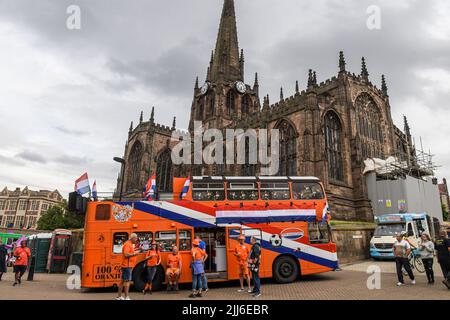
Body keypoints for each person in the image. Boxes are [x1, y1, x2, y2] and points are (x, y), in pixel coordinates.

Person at [116, 233, 140, 300]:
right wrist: (135, 253)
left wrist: (135, 251)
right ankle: (126, 297)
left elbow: (127, 253)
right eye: (136, 238)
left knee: (122, 281)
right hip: (127, 266)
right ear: (132, 238)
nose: (136, 240)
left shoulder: (128, 244)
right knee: (127, 281)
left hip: (126, 265)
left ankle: (119, 296)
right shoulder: (127, 244)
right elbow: (126, 255)